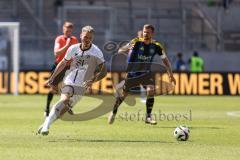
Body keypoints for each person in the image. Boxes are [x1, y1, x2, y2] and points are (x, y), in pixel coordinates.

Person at [38, 25, 107, 135]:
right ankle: (46, 126)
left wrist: (93, 80)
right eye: (85, 37)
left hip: (82, 86)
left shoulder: (96, 52)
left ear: (92, 38)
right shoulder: (73, 48)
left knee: (63, 111)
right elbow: (63, 63)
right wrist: (52, 77)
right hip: (69, 80)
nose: (87, 40)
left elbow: (104, 72)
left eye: (90, 38)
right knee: (64, 100)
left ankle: (47, 123)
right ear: (80, 36)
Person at [108, 24, 176, 125]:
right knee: (124, 95)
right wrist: (127, 48)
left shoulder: (157, 46)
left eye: (148, 32)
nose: (145, 34)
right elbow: (120, 50)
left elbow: (165, 60)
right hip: (132, 73)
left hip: (146, 73)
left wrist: (170, 74)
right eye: (144, 32)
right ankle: (114, 111)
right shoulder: (136, 41)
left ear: (152, 33)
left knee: (151, 90)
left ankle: (148, 117)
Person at [44, 21, 78, 117]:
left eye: (70, 31)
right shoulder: (59, 39)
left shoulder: (75, 40)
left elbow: (77, 54)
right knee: (53, 89)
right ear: (63, 29)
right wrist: (67, 46)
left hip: (69, 67)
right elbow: (56, 53)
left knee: (70, 87)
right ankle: (47, 108)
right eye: (67, 31)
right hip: (59, 66)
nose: (68, 33)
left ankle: (67, 106)